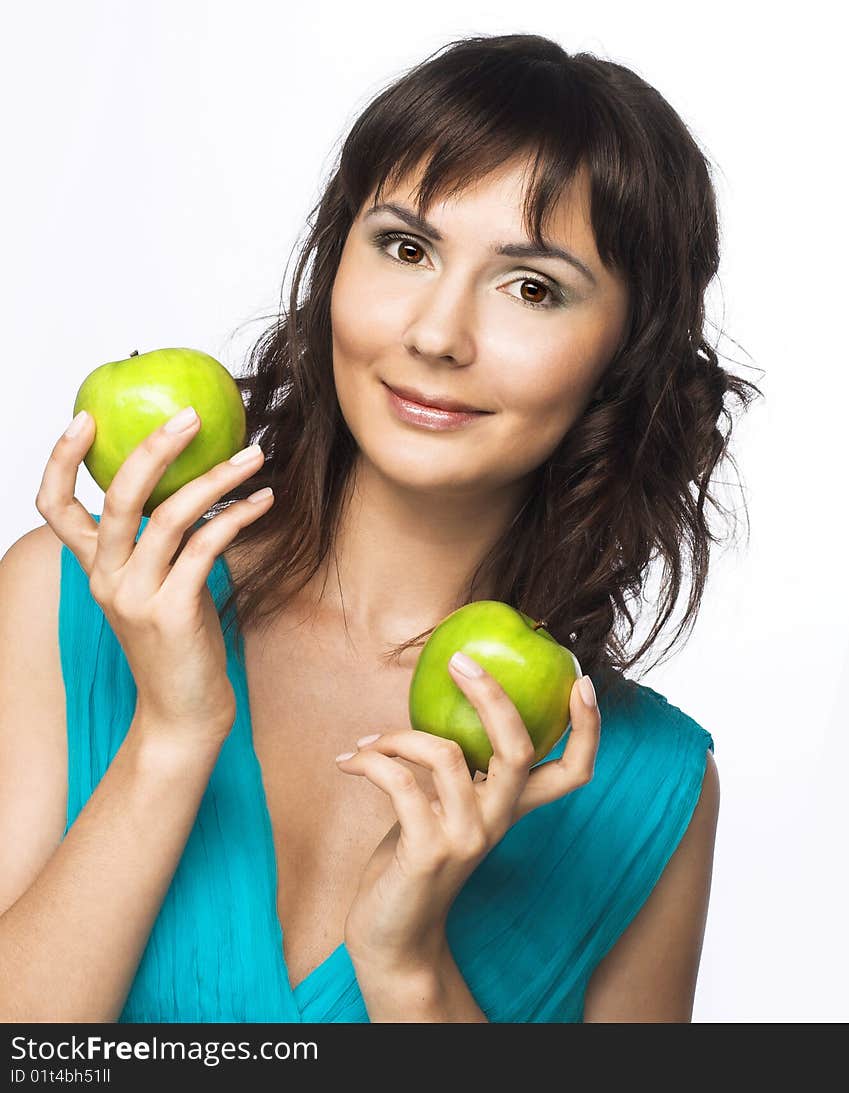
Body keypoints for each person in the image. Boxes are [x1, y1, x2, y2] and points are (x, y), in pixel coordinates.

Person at [0, 33, 760, 1023]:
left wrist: (407, 967)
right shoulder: (74, 597)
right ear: (334, 262)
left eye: (531, 287)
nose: (437, 334)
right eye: (405, 247)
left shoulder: (647, 792)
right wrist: (169, 740)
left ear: (624, 356)